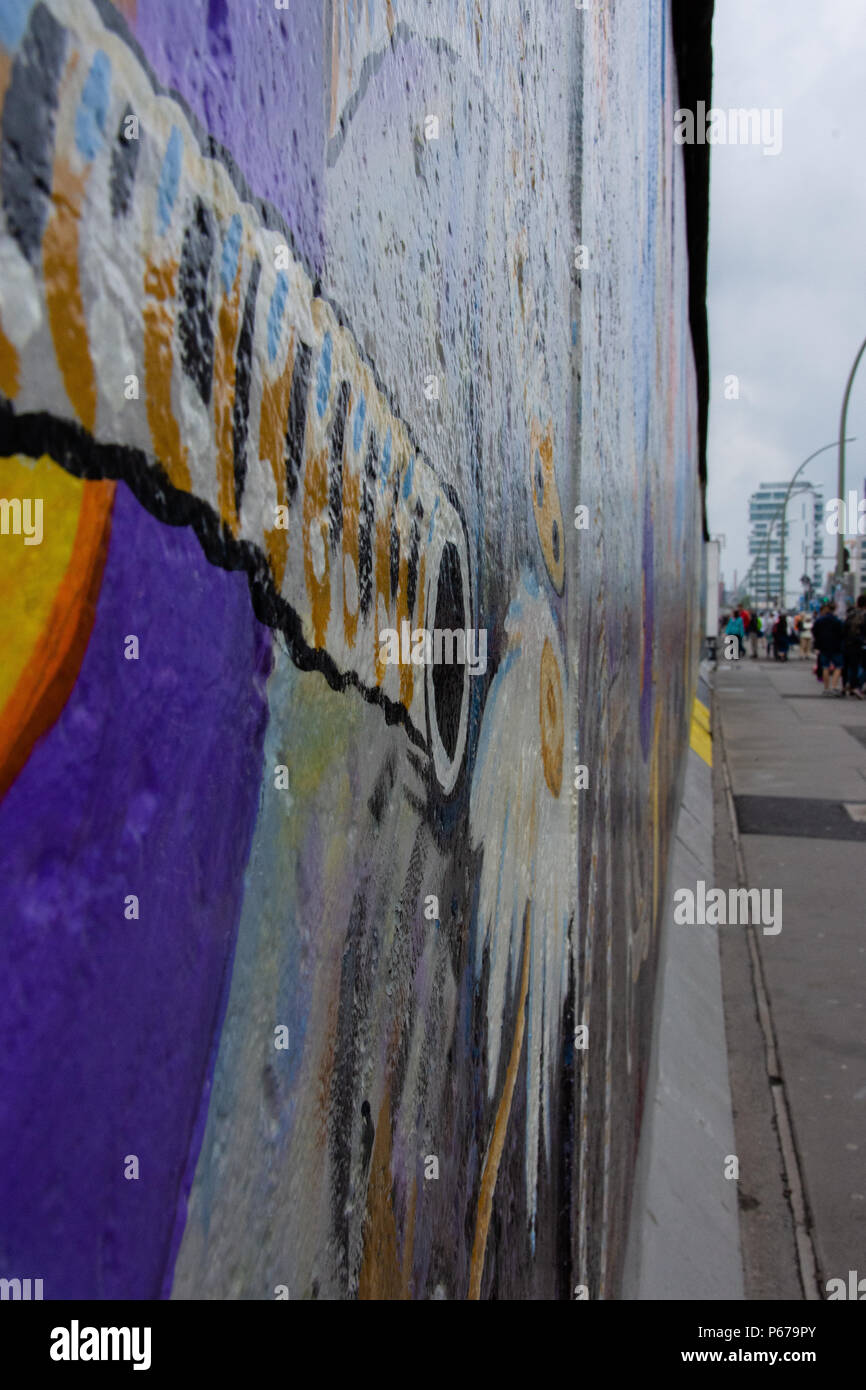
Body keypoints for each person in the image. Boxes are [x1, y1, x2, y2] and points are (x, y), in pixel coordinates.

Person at [812, 601, 845, 696]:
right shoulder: (838, 621)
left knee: (825, 667)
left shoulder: (820, 620)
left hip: (823, 646)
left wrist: (818, 643)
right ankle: (834, 687)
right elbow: (842, 634)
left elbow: (814, 632)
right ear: (835, 609)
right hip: (836, 647)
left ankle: (826, 688)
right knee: (838, 667)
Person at [843, 602, 866, 698]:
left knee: (850, 666)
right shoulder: (863, 616)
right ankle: (856, 686)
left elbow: (844, 629)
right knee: (861, 667)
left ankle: (848, 685)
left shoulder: (850, 615)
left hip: (848, 644)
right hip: (860, 644)